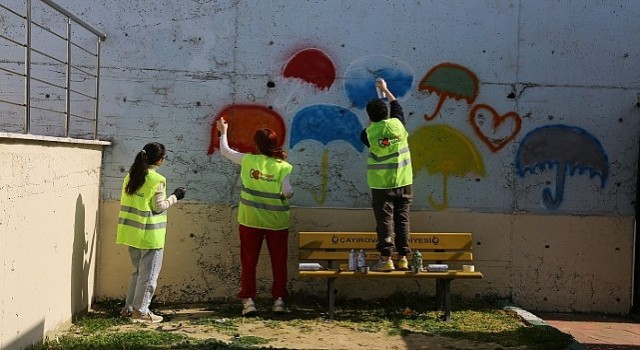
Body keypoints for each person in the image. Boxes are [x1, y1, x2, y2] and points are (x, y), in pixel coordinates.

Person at [216, 117, 294, 316]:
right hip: (277, 222)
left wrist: (223, 130)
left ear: (257, 144)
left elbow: (226, 152)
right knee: (279, 262)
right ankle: (278, 301)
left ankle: (249, 302)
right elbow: (288, 192)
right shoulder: (283, 166)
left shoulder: (248, 160)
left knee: (249, 261)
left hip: (250, 220)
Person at [116, 142, 187, 323]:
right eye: (164, 157)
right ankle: (141, 312)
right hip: (149, 235)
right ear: (159, 160)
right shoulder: (158, 180)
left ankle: (129, 309)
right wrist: (175, 196)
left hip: (131, 233)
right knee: (149, 277)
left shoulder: (130, 176)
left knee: (137, 273)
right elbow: (159, 207)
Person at [360, 78, 413, 272]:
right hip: (404, 181)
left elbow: (370, 129)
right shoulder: (398, 126)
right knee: (402, 219)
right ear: (387, 114)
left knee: (385, 221)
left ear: (371, 117)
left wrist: (373, 119)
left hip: (382, 185)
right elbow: (396, 106)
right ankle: (404, 257)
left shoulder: (368, 134)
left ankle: (386, 259)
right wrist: (385, 89)